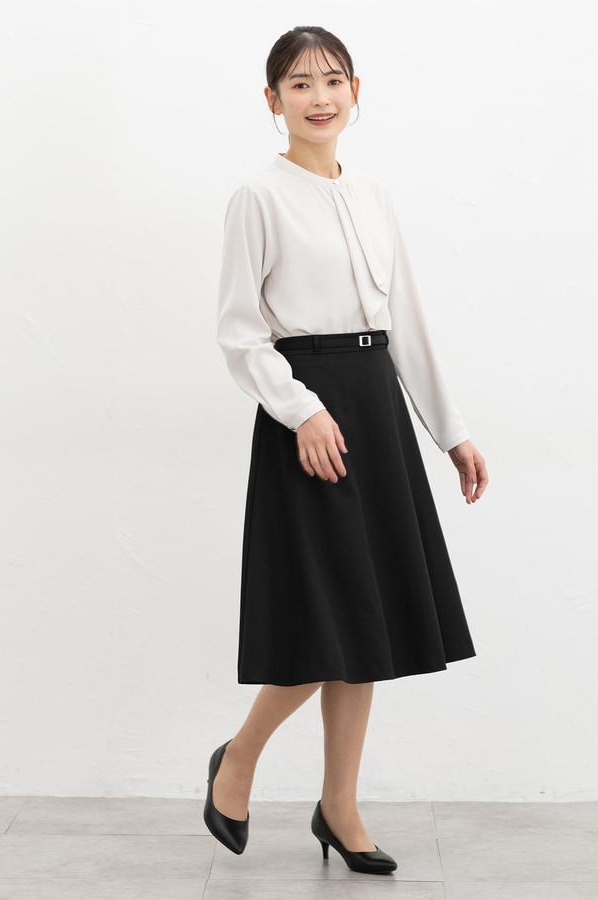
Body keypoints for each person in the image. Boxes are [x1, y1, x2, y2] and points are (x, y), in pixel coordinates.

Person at [205, 25, 488, 875]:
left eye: (332, 80)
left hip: (376, 408)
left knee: (365, 618)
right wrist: (302, 411)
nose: (318, 97)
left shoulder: (373, 196)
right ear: (272, 101)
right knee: (327, 615)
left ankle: (339, 806)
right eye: (299, 84)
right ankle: (240, 759)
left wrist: (451, 431)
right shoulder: (258, 197)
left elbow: (406, 325)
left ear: (356, 92)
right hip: (309, 416)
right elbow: (239, 333)